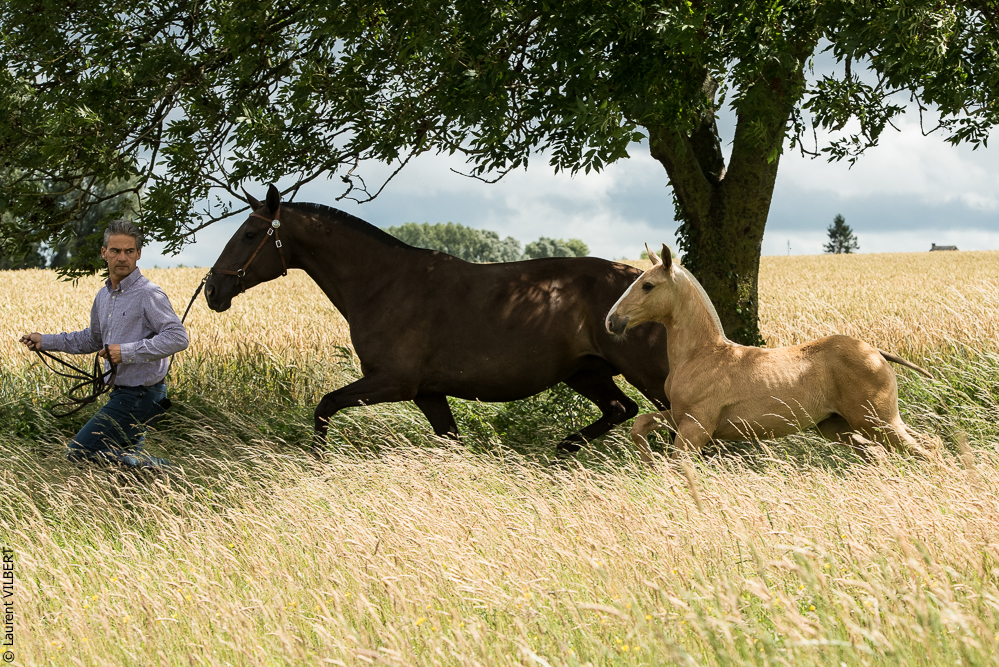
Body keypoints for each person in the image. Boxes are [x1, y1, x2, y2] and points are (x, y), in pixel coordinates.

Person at [20, 220, 189, 470]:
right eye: (115, 251)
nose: (122, 257)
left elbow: (178, 337)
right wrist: (45, 341)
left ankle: (164, 468)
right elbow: (92, 339)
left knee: (79, 453)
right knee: (122, 474)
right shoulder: (104, 295)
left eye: (129, 251)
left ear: (138, 254)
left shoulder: (149, 294)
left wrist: (126, 352)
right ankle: (154, 484)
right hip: (123, 392)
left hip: (141, 395)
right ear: (104, 253)